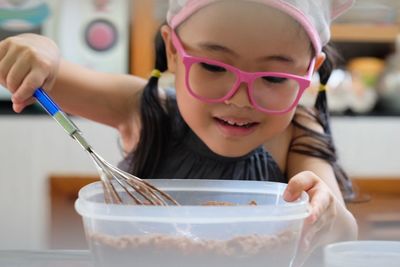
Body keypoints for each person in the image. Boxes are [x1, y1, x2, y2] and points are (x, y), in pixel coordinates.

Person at [0, 0, 357, 264]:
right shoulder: (143, 110)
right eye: (213, 67)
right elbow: (49, 74)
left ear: (311, 71)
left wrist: (324, 211)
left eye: (275, 77)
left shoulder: (297, 130)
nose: (239, 98)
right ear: (173, 51)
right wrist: (36, 48)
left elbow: (343, 229)